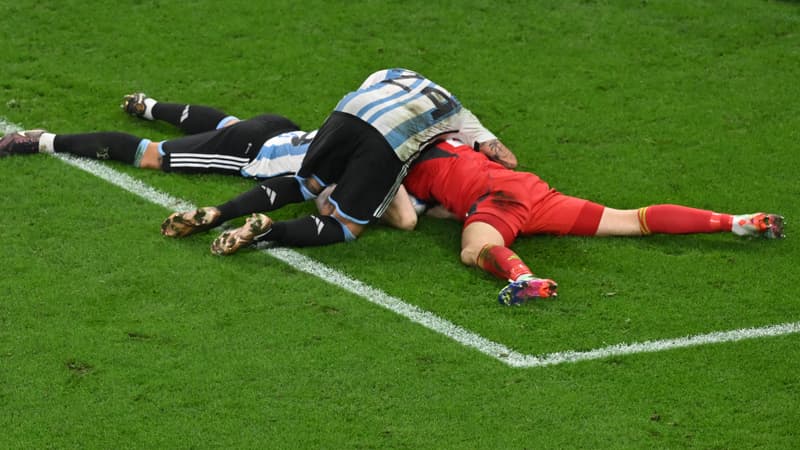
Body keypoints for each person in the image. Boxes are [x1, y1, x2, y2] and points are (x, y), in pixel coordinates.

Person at [395, 138, 785, 305]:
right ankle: (737, 221)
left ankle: (523, 279)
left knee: (473, 250)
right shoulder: (453, 138)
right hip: (529, 188)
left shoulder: (394, 162)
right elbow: (501, 161)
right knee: (632, 220)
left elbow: (407, 217)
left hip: (496, 201)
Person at [160, 68, 515, 250]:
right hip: (387, 143)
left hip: (347, 114)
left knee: (304, 182)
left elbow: (366, 89)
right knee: (346, 226)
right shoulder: (458, 115)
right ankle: (269, 230)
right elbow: (505, 159)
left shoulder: (399, 73)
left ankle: (220, 211)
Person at [0, 93, 310, 180]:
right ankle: (43, 140)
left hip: (281, 126)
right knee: (153, 155)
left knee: (230, 126)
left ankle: (148, 106)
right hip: (253, 150)